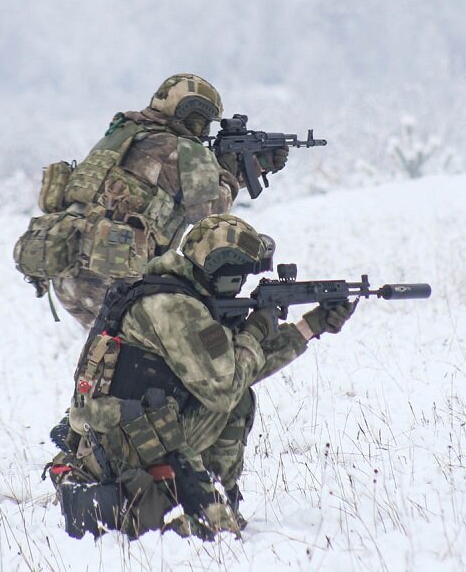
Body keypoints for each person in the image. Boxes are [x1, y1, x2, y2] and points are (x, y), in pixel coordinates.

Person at [46, 214, 356, 539]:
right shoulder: (176, 309)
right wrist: (256, 328)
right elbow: (225, 387)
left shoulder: (172, 293)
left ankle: (207, 496)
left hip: (128, 431)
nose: (239, 286)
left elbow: (232, 369)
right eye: (237, 278)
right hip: (128, 442)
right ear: (221, 274)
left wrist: (310, 327)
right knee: (236, 403)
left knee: (236, 392)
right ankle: (205, 503)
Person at [47, 73, 288, 326]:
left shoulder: (124, 134)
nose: (205, 130)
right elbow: (210, 211)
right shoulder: (175, 148)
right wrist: (228, 170)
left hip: (70, 274)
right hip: (110, 278)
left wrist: (242, 168)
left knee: (112, 350)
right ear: (192, 115)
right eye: (204, 121)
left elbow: (170, 188)